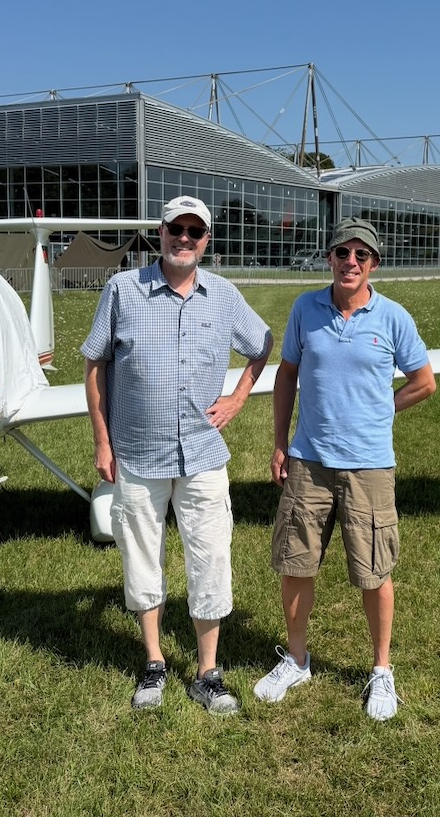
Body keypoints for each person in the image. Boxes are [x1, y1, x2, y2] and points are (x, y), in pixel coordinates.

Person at [82, 195, 272, 715]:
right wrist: (102, 440)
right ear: (159, 233)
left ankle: (208, 672)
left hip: (203, 453)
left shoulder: (224, 296)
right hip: (138, 453)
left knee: (210, 557)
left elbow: (262, 343)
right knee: (142, 556)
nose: (183, 238)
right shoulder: (123, 290)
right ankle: (155, 661)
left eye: (194, 231)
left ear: (206, 239)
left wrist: (236, 399)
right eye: (175, 229)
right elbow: (95, 366)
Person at [254, 217, 436, 721]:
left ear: (373, 264)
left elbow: (424, 381)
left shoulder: (393, 317)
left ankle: (381, 671)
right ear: (330, 259)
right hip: (309, 460)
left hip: (369, 466)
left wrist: (383, 409)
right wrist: (280, 443)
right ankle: (296, 659)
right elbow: (287, 373)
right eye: (341, 253)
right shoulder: (304, 309)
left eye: (360, 255)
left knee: (373, 571)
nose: (350, 262)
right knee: (296, 562)